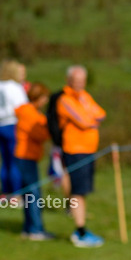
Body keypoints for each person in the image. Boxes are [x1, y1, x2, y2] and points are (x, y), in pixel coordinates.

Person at [57, 65, 107, 247]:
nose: (79, 84)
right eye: (76, 80)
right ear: (68, 80)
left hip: (88, 150)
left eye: (82, 81)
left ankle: (82, 228)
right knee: (78, 191)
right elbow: (84, 121)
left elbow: (101, 114)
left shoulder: (85, 96)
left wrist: (90, 118)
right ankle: (80, 232)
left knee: (83, 191)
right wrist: (89, 118)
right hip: (74, 150)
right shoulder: (65, 99)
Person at [13, 82, 54, 240]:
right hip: (25, 157)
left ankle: (29, 228)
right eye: (44, 97)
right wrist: (51, 128)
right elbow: (40, 134)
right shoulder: (28, 113)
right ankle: (36, 230)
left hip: (28, 156)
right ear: (38, 97)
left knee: (29, 193)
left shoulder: (31, 112)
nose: (46, 101)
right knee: (33, 193)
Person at [0, 59, 29, 196]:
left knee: (5, 161)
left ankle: (5, 192)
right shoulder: (14, 87)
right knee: (15, 161)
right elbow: (23, 107)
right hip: (12, 124)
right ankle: (16, 194)